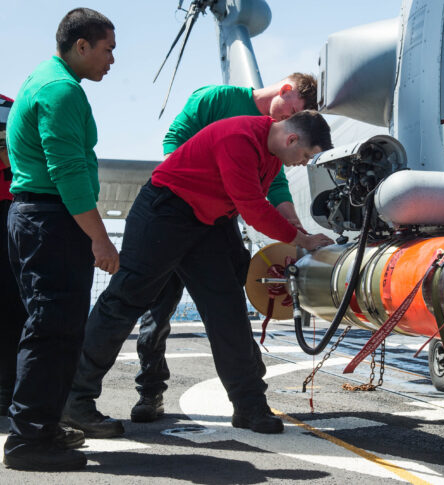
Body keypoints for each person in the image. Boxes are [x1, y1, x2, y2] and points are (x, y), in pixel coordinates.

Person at [62, 111, 334, 439]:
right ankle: (75, 398)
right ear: (292, 139)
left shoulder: (272, 156)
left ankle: (248, 404)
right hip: (165, 212)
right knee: (123, 302)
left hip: (207, 222)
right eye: (304, 156)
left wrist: (298, 234)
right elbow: (251, 207)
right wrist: (302, 240)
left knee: (227, 310)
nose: (300, 163)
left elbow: (254, 203)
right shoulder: (240, 138)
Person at [132, 74, 317, 424]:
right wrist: (183, 200)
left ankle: (249, 395)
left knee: (230, 304)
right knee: (158, 309)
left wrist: (299, 234)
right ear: (285, 90)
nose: (288, 121)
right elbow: (174, 140)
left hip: (218, 222)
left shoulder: (277, 137)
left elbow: (276, 190)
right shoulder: (215, 99)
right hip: (177, 216)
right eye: (292, 110)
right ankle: (150, 390)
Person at [3, 8, 118, 471]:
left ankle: (43, 425)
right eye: (107, 49)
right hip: (51, 220)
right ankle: (29, 441)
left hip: (34, 218)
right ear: (82, 46)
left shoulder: (43, 78)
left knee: (52, 327)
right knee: (52, 331)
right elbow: (68, 173)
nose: (112, 60)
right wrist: (101, 240)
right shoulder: (61, 91)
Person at [0, 95, 28, 417]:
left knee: (12, 309)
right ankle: (9, 392)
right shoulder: (15, 106)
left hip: (10, 211)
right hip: (15, 212)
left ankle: (8, 392)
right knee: (13, 310)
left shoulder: (13, 105)